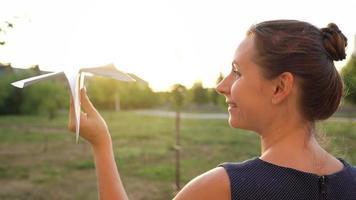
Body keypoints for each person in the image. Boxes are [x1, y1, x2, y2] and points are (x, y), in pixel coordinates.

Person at [68, 20, 356, 200]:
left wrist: (101, 145)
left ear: (280, 87)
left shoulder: (224, 188)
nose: (221, 85)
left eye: (237, 72)